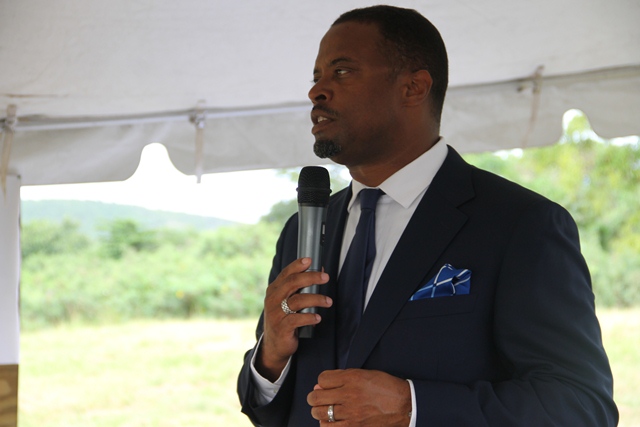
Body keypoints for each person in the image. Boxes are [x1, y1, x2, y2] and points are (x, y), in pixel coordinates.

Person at [237, 5, 618, 426]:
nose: (317, 92)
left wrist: (414, 407)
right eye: (316, 77)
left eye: (341, 72)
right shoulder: (303, 230)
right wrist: (269, 356)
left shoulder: (520, 225)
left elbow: (581, 408)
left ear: (414, 87)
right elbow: (269, 405)